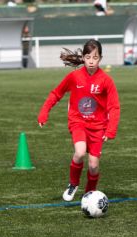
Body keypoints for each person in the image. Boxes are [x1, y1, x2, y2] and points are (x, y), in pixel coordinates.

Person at [37, 39, 120, 202]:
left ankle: (89, 194)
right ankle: (73, 183)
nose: (91, 61)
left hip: (98, 127)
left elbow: (114, 107)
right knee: (80, 152)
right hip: (78, 122)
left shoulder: (106, 80)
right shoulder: (74, 77)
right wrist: (44, 112)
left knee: (94, 166)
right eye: (88, 57)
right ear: (83, 57)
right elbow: (56, 94)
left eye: (95, 57)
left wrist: (111, 130)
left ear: (100, 59)